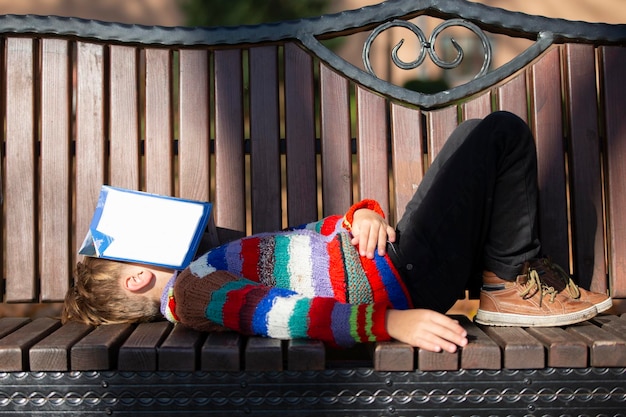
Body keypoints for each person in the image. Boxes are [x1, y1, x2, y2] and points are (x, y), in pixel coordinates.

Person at [62, 111, 611, 354]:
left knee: (478, 133)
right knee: (500, 134)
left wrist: (357, 216)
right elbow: (289, 315)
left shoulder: (203, 271)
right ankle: (509, 279)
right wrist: (391, 322)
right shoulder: (192, 292)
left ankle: (502, 279)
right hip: (402, 281)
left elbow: (298, 244)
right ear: (137, 277)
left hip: (390, 261)